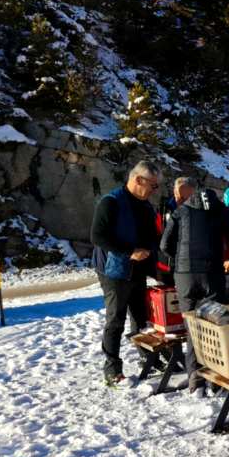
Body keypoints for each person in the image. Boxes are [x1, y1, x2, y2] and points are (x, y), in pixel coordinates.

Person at [160, 181, 229, 394]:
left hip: (184, 276)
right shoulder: (221, 211)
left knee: (192, 326)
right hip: (212, 274)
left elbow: (164, 245)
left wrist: (180, 260)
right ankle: (214, 378)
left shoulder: (181, 211)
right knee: (214, 324)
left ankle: (195, 378)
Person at [91, 160, 160, 387]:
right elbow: (97, 236)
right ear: (138, 179)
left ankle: (148, 359)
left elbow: (151, 237)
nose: (154, 190)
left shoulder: (146, 206)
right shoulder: (111, 202)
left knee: (141, 318)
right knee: (116, 319)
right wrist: (129, 252)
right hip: (113, 270)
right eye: (153, 185)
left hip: (138, 269)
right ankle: (112, 370)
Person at [154, 177, 196, 286]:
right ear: (174, 191)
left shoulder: (197, 212)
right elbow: (154, 236)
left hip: (188, 268)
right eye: (179, 196)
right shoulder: (162, 210)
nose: (181, 201)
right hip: (164, 268)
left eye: (186, 198)